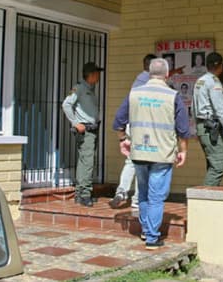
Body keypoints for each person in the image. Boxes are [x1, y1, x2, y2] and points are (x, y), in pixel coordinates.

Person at [113, 58, 190, 250]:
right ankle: (152, 238)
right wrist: (183, 151)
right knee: (156, 196)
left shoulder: (134, 93)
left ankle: (146, 230)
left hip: (139, 152)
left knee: (144, 193)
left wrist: (123, 140)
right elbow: (183, 128)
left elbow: (119, 120)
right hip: (162, 154)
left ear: (149, 73)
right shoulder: (172, 96)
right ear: (166, 74)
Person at [109, 54, 156, 209]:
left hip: (131, 125)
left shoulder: (139, 80)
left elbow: (124, 110)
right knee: (143, 162)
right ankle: (137, 199)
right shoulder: (149, 83)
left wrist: (122, 134)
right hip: (144, 128)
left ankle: (122, 191)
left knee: (131, 161)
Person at [193, 52, 223, 186]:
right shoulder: (214, 83)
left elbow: (194, 107)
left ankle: (209, 198)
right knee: (219, 163)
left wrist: (196, 127)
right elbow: (220, 111)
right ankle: (204, 198)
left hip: (203, 126)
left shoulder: (200, 81)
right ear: (220, 66)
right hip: (209, 126)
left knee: (213, 163)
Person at [61, 61, 104, 207]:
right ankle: (85, 194)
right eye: (97, 73)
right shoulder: (79, 88)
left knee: (84, 161)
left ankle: (80, 193)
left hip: (92, 128)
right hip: (86, 130)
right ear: (91, 75)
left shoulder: (90, 89)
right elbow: (66, 104)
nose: (99, 76)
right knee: (88, 162)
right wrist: (75, 123)